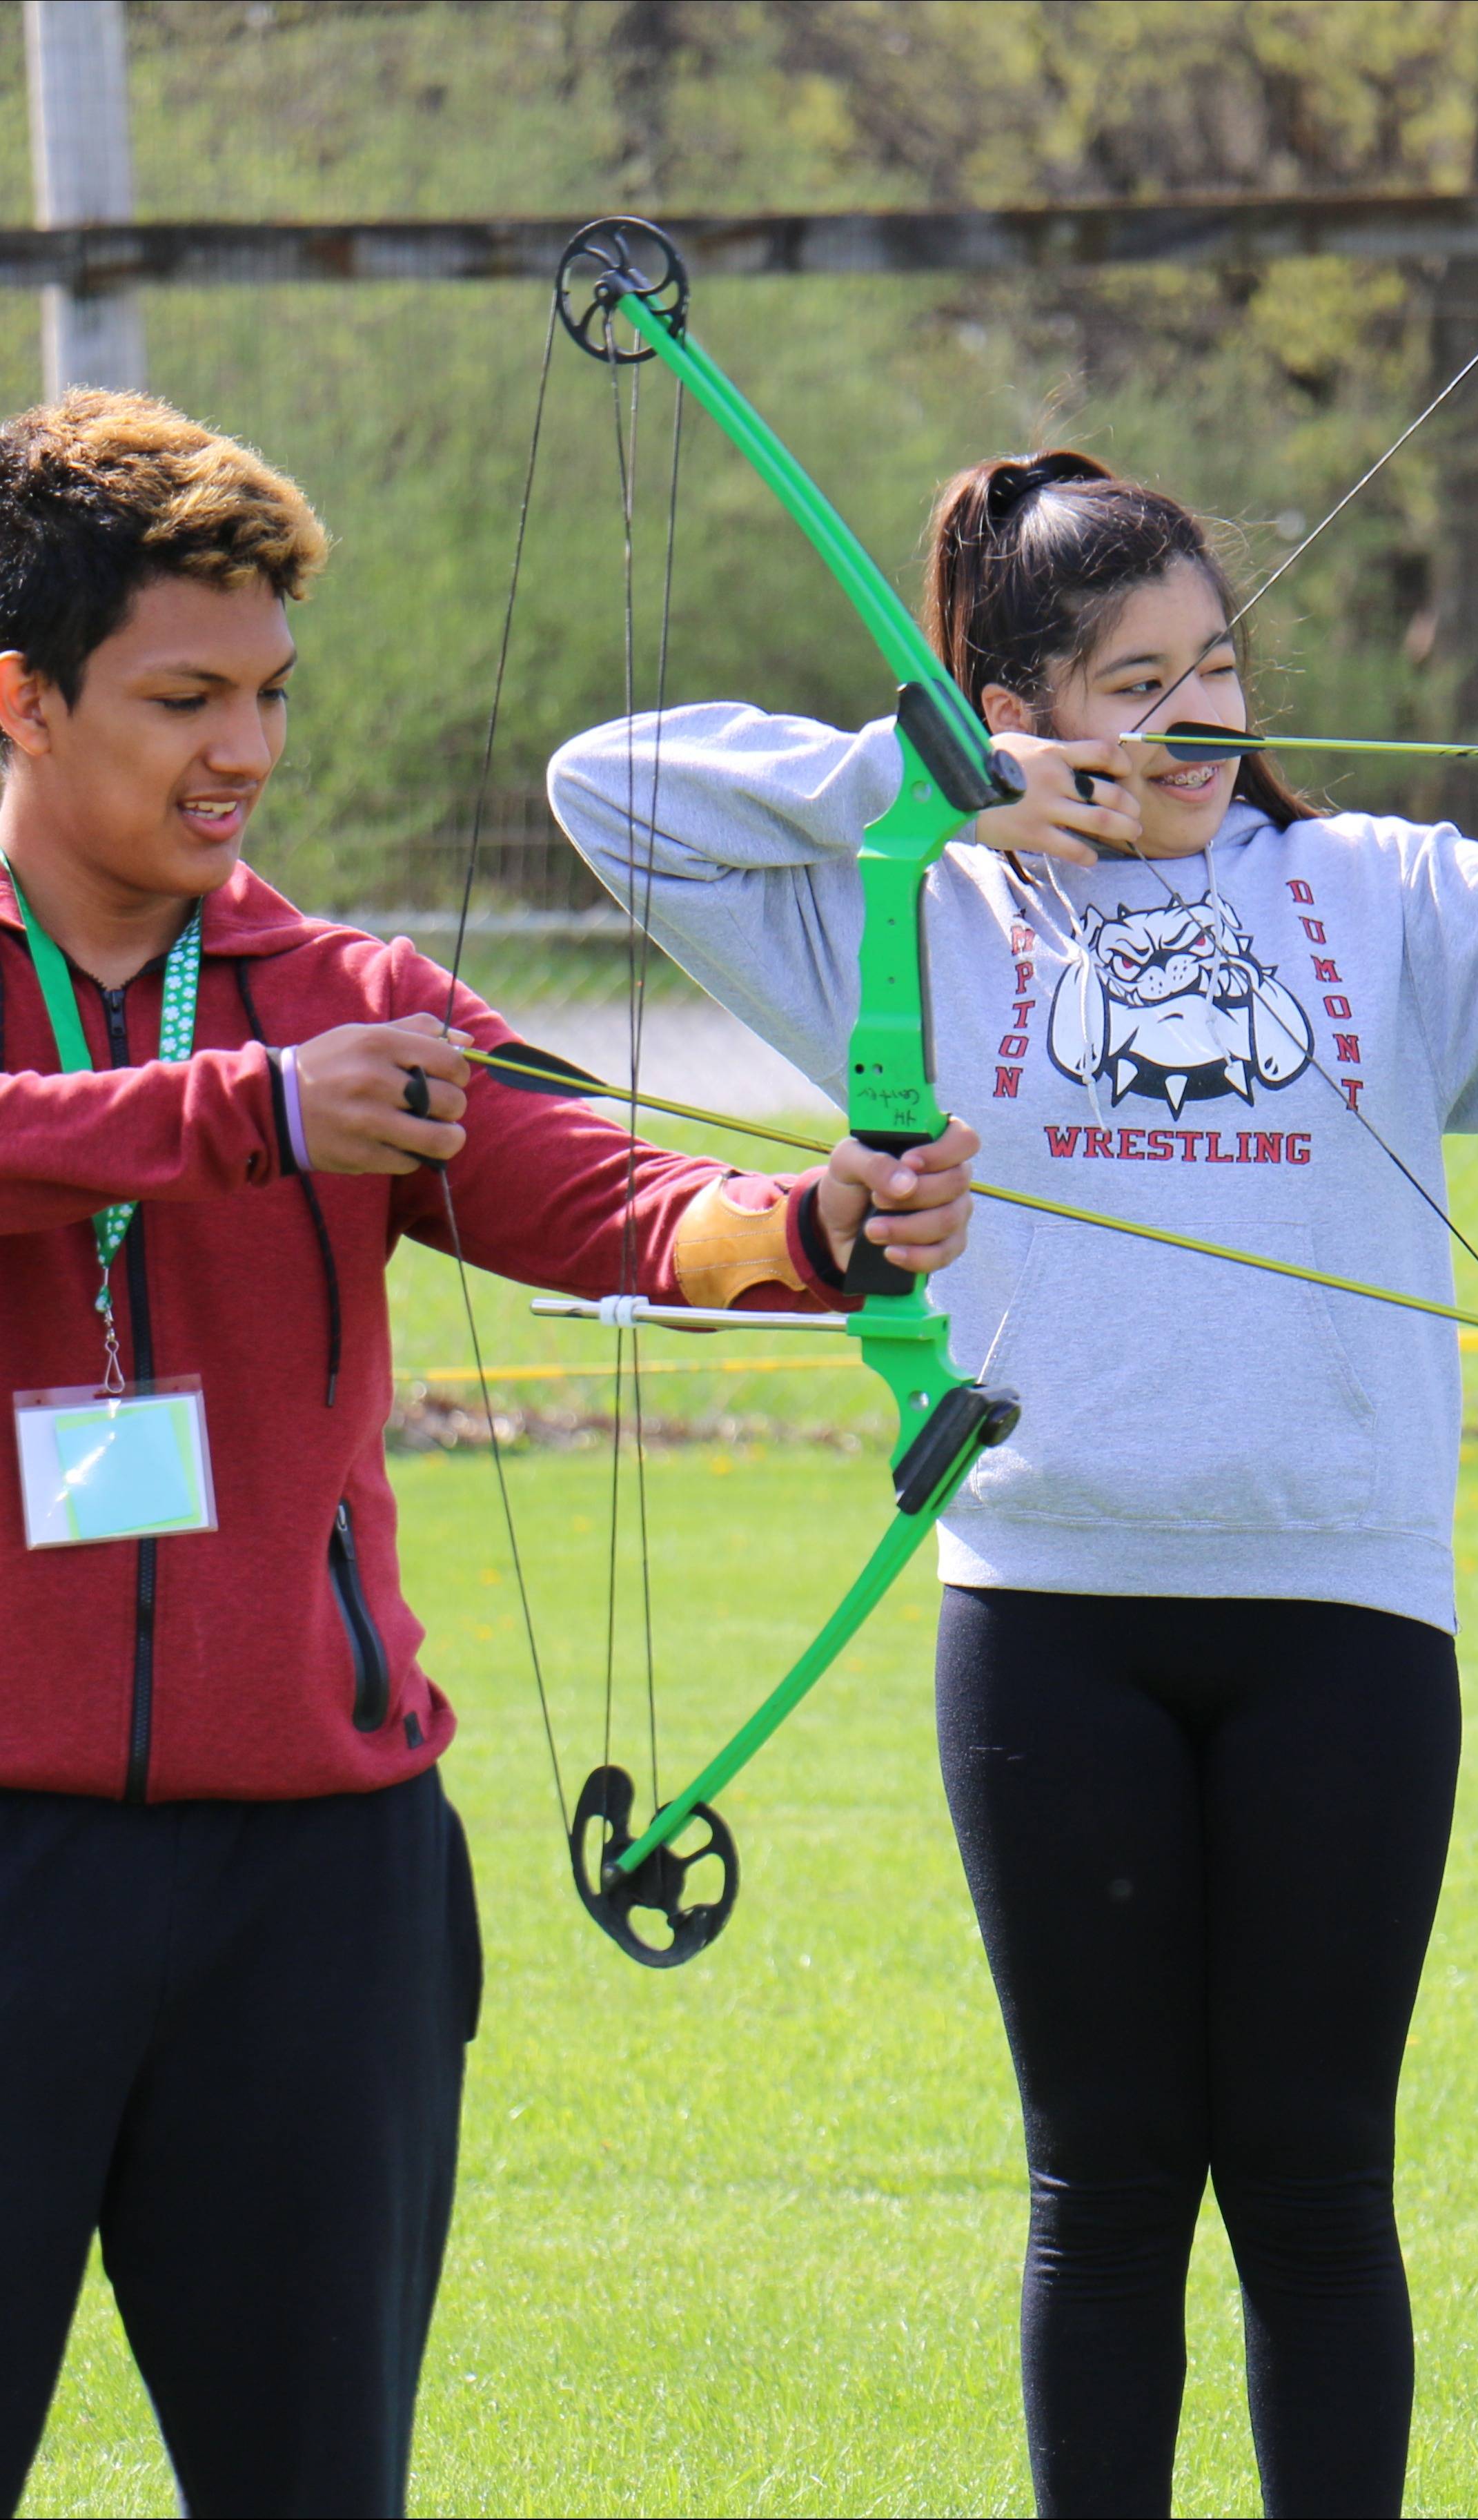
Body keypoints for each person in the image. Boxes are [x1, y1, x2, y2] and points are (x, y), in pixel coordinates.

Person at [544, 447, 1478, 2519]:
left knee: (1311, 2182)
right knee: (1101, 2189)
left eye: (1216, 669)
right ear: (1010, 702)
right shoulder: (908, 915)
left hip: (1343, 1623)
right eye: (1132, 682)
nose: (1198, 720)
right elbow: (606, 783)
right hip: (1050, 1621)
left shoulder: (1375, 894)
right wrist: (927, 791)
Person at [0, 390, 976, 2520]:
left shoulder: (344, 994)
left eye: (267, 692)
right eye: (180, 696)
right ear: (23, 696)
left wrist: (812, 1229)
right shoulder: (292, 1057)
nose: (242, 749)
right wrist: (243, 1115)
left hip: (315, 1890)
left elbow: (613, 1201)